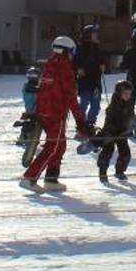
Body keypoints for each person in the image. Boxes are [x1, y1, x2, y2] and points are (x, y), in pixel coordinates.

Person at [22, 36, 89, 190]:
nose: (73, 55)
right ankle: (30, 178)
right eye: (72, 52)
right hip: (55, 113)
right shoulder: (65, 68)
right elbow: (71, 97)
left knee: (60, 145)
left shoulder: (50, 65)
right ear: (67, 51)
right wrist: (81, 121)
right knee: (53, 146)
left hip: (44, 111)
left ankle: (51, 179)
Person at [95, 80, 136, 181]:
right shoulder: (114, 106)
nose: (128, 96)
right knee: (107, 151)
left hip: (122, 133)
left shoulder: (130, 103)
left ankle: (120, 171)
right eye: (125, 93)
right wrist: (111, 131)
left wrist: (131, 126)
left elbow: (130, 117)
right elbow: (110, 121)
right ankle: (102, 172)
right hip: (110, 132)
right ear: (119, 93)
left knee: (125, 153)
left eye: (129, 93)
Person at [73, 24, 105, 131]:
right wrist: (78, 69)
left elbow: (101, 60)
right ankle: (81, 123)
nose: (96, 36)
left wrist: (102, 65)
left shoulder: (97, 48)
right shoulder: (80, 47)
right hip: (85, 81)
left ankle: (90, 123)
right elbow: (75, 62)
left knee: (95, 105)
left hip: (96, 81)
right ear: (88, 35)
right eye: (94, 34)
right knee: (84, 103)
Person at [14, 66, 42, 166]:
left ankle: (24, 137)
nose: (32, 78)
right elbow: (36, 90)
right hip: (32, 112)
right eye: (30, 75)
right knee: (32, 131)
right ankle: (24, 139)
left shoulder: (37, 86)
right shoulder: (27, 86)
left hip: (36, 112)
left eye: (34, 76)